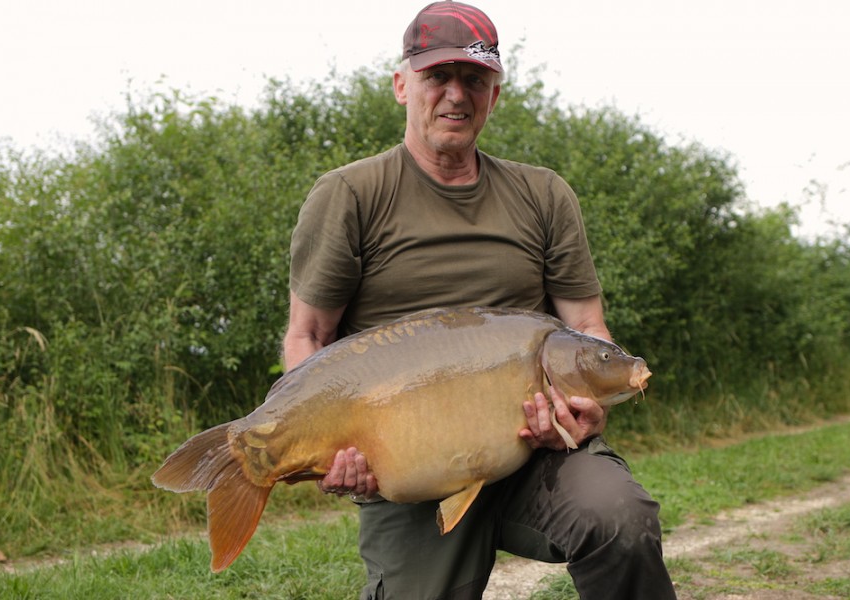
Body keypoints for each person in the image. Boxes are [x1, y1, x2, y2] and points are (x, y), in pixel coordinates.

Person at [282, 2, 677, 598]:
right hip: (412, 465)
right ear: (401, 85)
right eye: (437, 76)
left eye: (474, 79)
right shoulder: (350, 195)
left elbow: (587, 326)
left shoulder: (543, 193)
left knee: (617, 515)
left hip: (537, 453)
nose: (455, 95)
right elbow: (308, 337)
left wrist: (594, 408)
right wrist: (321, 441)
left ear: (495, 94)